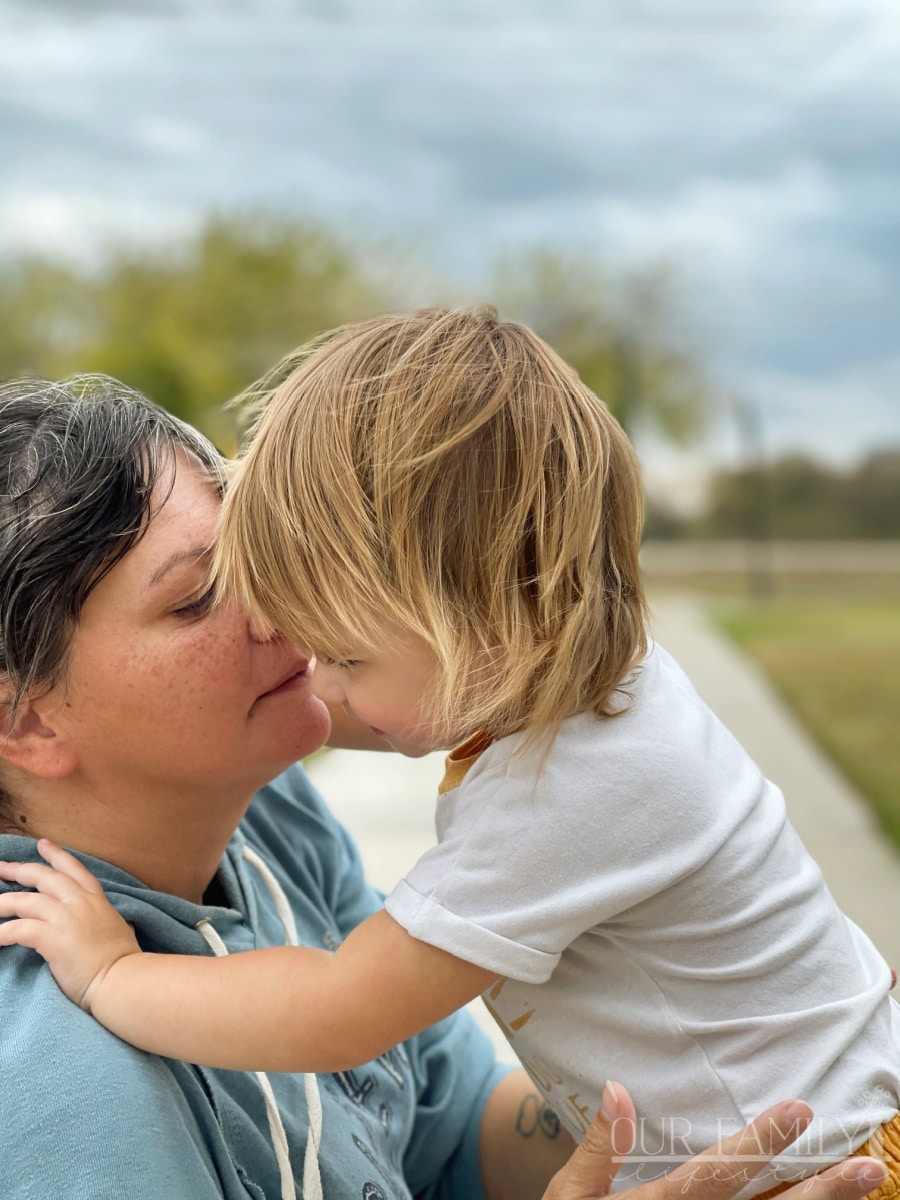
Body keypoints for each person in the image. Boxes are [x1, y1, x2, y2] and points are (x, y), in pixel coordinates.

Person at [0, 322, 898, 1198]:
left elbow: (412, 1089)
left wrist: (116, 976)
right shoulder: (58, 1081)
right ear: (27, 725)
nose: (285, 622)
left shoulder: (279, 815)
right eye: (199, 597)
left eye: (268, 566)